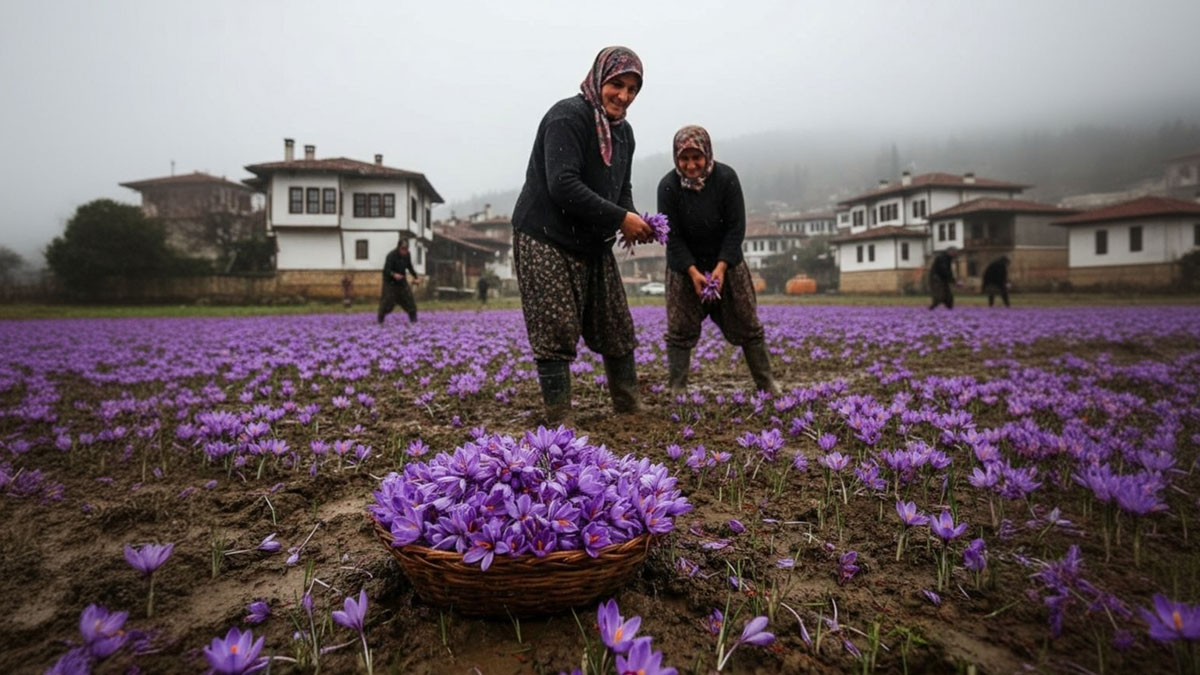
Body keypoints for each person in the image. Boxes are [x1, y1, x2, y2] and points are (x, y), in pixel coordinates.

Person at [512, 46, 654, 422]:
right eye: (616, 84)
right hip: (545, 234)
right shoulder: (568, 117)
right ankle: (559, 416)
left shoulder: (624, 134)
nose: (623, 96)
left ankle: (628, 403)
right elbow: (563, 185)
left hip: (592, 239)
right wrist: (620, 218)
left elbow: (620, 189)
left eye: (632, 89)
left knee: (615, 322)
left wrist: (633, 219)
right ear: (598, 79)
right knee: (555, 326)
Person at [659, 125, 780, 396]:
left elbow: (736, 228)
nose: (691, 165)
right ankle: (677, 388)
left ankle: (766, 382)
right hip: (684, 267)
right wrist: (692, 271)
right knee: (679, 329)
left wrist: (721, 267)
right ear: (676, 158)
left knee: (747, 322)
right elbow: (672, 236)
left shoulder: (726, 178)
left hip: (727, 263)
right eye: (684, 158)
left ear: (707, 154)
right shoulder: (668, 186)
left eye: (696, 157)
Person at [378, 237, 419, 324]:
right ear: (398, 247)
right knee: (387, 303)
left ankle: (414, 323)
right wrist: (394, 275)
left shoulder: (407, 255)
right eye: (403, 249)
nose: (404, 251)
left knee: (410, 302)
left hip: (401, 282)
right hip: (390, 283)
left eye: (406, 249)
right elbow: (386, 270)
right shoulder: (391, 256)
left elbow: (410, 267)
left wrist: (415, 277)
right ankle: (380, 321)